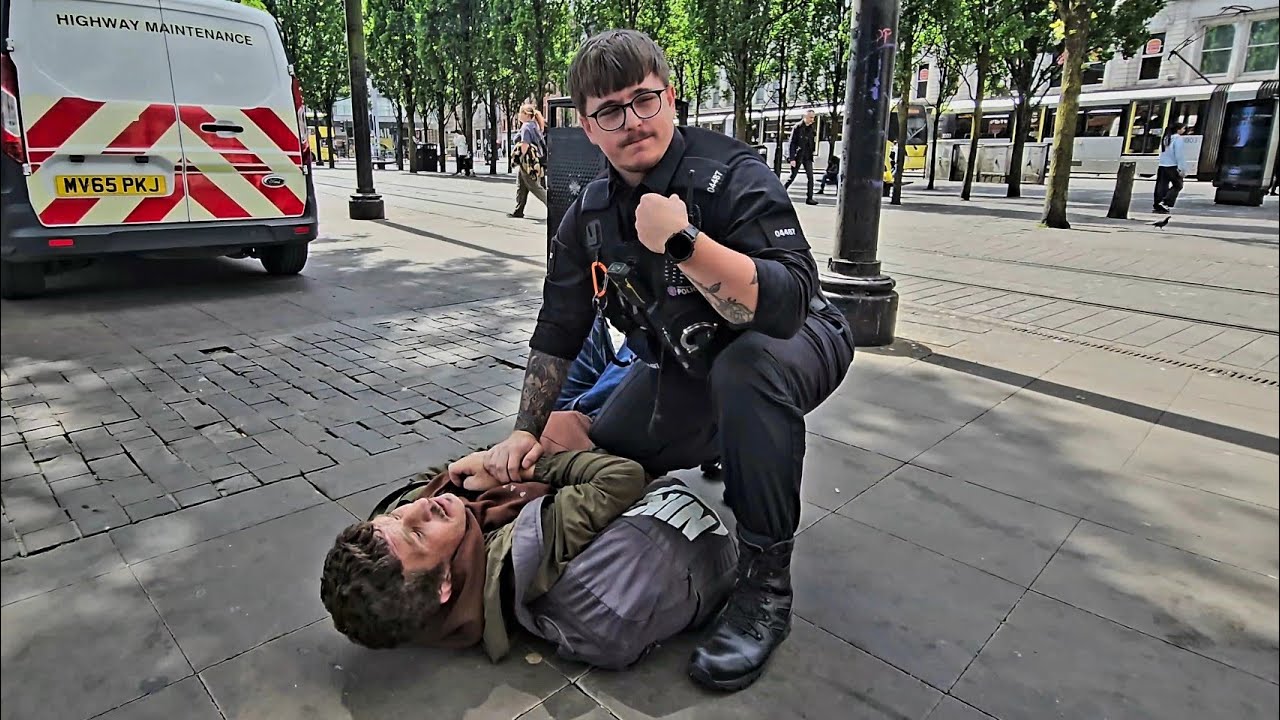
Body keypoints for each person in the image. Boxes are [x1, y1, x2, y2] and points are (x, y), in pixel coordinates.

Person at [480, 29, 855, 692]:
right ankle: (719, 450)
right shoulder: (589, 216)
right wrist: (525, 431)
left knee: (748, 371)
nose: (632, 123)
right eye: (610, 112)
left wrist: (684, 242)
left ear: (671, 98)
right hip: (685, 362)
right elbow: (559, 327)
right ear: (589, 129)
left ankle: (764, 589)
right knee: (610, 451)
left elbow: (790, 301)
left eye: (644, 100)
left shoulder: (731, 171)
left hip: (798, 342)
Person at [319, 437, 738, 669]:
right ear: (445, 583)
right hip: (613, 454)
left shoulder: (420, 548)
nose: (419, 508)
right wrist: (516, 466)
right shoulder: (522, 551)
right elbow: (622, 477)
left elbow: (433, 484)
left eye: (396, 517)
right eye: (417, 535)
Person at [510, 104, 549, 219]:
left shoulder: (526, 126)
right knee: (521, 185)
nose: (518, 115)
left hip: (527, 161)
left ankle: (553, 206)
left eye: (520, 113)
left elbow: (525, 145)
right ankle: (518, 210)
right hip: (535, 160)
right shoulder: (534, 125)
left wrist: (519, 156)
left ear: (526, 114)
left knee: (534, 186)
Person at [784, 110, 819, 206]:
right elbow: (792, 143)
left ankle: (809, 198)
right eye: (810, 117)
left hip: (807, 156)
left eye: (813, 117)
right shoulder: (797, 127)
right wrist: (791, 158)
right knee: (792, 177)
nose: (812, 120)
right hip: (798, 156)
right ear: (805, 117)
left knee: (810, 177)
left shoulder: (812, 128)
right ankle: (781, 192)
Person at [1154, 122, 1187, 214]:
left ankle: (1158, 204)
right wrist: (1181, 168)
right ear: (1178, 129)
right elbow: (1179, 154)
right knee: (1178, 185)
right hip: (1173, 166)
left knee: (1161, 185)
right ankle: (1166, 202)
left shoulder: (1166, 138)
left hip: (1163, 165)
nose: (1184, 130)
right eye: (1183, 129)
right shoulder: (1178, 139)